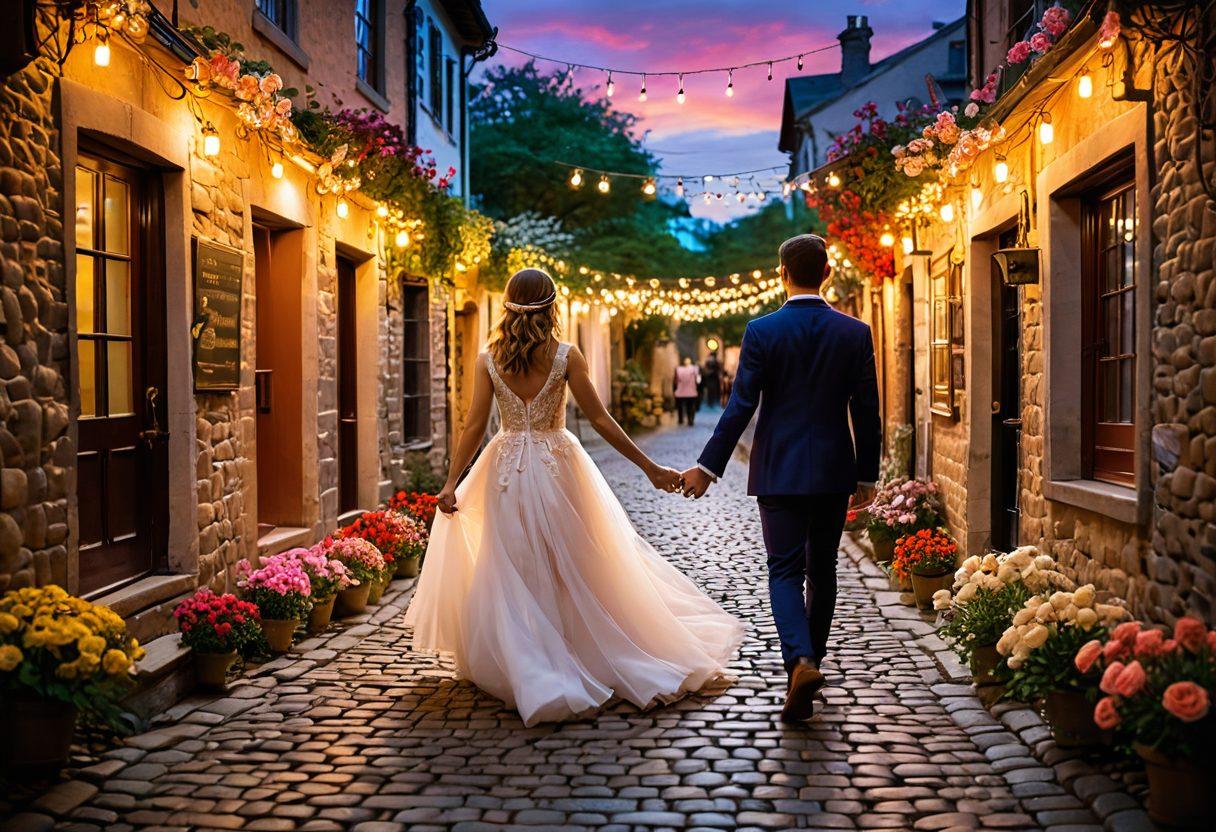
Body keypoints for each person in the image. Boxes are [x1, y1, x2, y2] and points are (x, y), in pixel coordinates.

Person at [406, 269, 744, 727]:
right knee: (574, 562)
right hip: (559, 466)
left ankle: (528, 656)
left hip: (503, 468)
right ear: (551, 307)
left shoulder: (488, 359)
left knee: (511, 563)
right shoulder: (566, 355)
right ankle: (568, 647)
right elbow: (602, 420)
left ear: (507, 305)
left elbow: (472, 426)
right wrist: (649, 469)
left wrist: (451, 482)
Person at [679, 234, 880, 723]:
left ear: (781, 274)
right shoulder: (855, 332)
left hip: (779, 470)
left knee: (785, 571)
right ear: (827, 273)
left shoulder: (762, 331)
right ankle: (809, 662)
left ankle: (801, 662)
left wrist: (707, 468)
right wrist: (867, 473)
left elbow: (740, 405)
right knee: (824, 569)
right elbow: (868, 411)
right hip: (835, 469)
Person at [673, 357, 701, 426]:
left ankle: (680, 419)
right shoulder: (695, 369)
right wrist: (698, 386)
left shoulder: (678, 369)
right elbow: (698, 380)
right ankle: (690, 420)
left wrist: (675, 389)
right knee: (691, 406)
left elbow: (675, 381)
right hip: (691, 391)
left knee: (680, 406)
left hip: (680, 392)